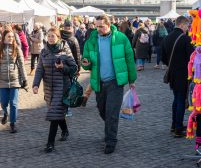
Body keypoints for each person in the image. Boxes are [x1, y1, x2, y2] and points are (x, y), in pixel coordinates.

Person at [82, 15, 137, 154]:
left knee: (112, 112)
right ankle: (109, 128)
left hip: (115, 82)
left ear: (109, 24)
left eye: (101, 26)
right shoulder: (91, 40)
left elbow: (130, 59)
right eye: (96, 26)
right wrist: (86, 62)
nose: (98, 29)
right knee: (102, 110)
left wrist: (132, 80)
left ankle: (111, 140)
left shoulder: (121, 38)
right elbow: (86, 58)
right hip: (99, 82)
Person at [32, 27, 77, 153]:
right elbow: (40, 69)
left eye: (53, 36)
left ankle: (50, 143)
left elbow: (74, 68)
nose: (50, 38)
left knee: (54, 113)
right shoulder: (44, 52)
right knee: (57, 112)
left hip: (62, 87)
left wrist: (63, 67)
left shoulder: (65, 50)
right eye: (49, 36)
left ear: (59, 38)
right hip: (49, 89)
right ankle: (65, 130)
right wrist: (35, 84)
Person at [161, 16, 194, 137]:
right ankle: (178, 128)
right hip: (183, 74)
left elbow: (164, 58)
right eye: (187, 26)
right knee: (180, 100)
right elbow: (191, 58)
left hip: (172, 74)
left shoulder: (167, 38)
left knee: (176, 99)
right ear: (181, 25)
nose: (188, 28)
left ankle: (174, 124)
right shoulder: (185, 38)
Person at [0, 30, 28, 133]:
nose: (11, 38)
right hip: (2, 81)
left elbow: (21, 66)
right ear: (4, 37)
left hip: (14, 80)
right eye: (9, 36)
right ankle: (6, 113)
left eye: (12, 37)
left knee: (14, 103)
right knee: (3, 102)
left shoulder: (17, 49)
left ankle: (12, 123)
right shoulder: (0, 49)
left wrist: (25, 80)